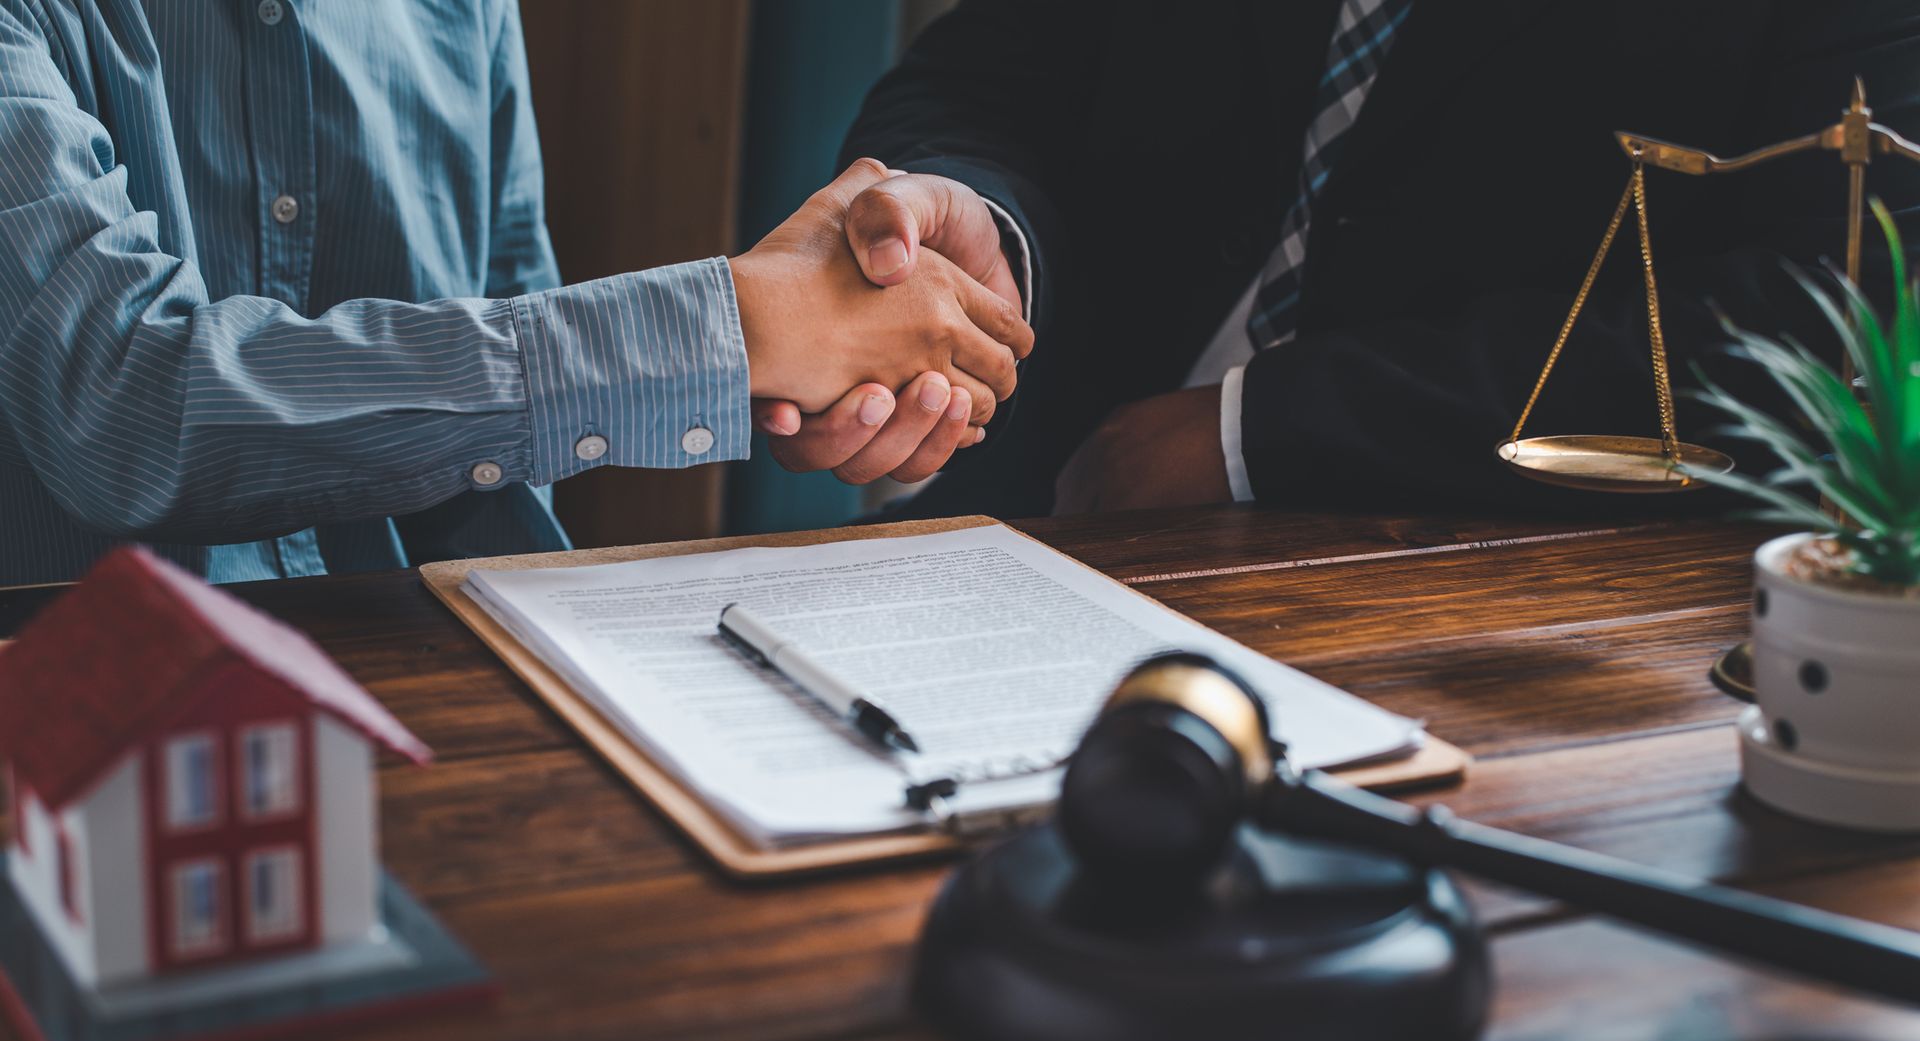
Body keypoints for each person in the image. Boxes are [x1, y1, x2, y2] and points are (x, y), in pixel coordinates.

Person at [0, 0, 1031, 588]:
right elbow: (121, 400)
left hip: (450, 695)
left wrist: (796, 367)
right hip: (83, 750)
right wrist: (730, 331)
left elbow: (510, 416)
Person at [760, 0, 1920, 518]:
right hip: (1039, 500)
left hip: (1492, 579)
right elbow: (986, 77)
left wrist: (1256, 435)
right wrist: (966, 227)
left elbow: (1834, 315)